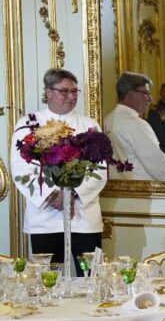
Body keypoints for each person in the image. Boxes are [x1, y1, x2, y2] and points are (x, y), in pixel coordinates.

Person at [10, 68, 105, 272]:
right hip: (44, 217)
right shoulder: (28, 124)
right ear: (48, 92)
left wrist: (71, 194)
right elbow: (21, 169)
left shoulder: (89, 125)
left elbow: (100, 169)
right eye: (64, 91)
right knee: (49, 279)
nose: (71, 96)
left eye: (74, 91)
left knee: (91, 276)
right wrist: (54, 196)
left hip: (83, 218)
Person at [105, 72, 165, 182]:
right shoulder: (136, 124)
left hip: (115, 189)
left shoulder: (106, 120)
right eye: (146, 93)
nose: (150, 98)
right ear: (130, 94)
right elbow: (158, 165)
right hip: (140, 190)